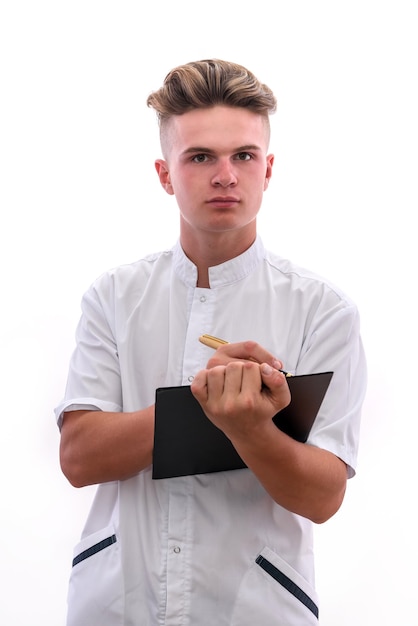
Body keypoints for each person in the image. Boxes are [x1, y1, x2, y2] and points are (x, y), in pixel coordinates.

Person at [56, 59, 367, 625]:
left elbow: (323, 497)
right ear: (164, 174)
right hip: (118, 604)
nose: (225, 175)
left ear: (268, 169)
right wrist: (205, 403)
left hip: (253, 607)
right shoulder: (114, 296)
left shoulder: (323, 311)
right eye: (200, 157)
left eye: (243, 156)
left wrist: (248, 427)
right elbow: (79, 457)